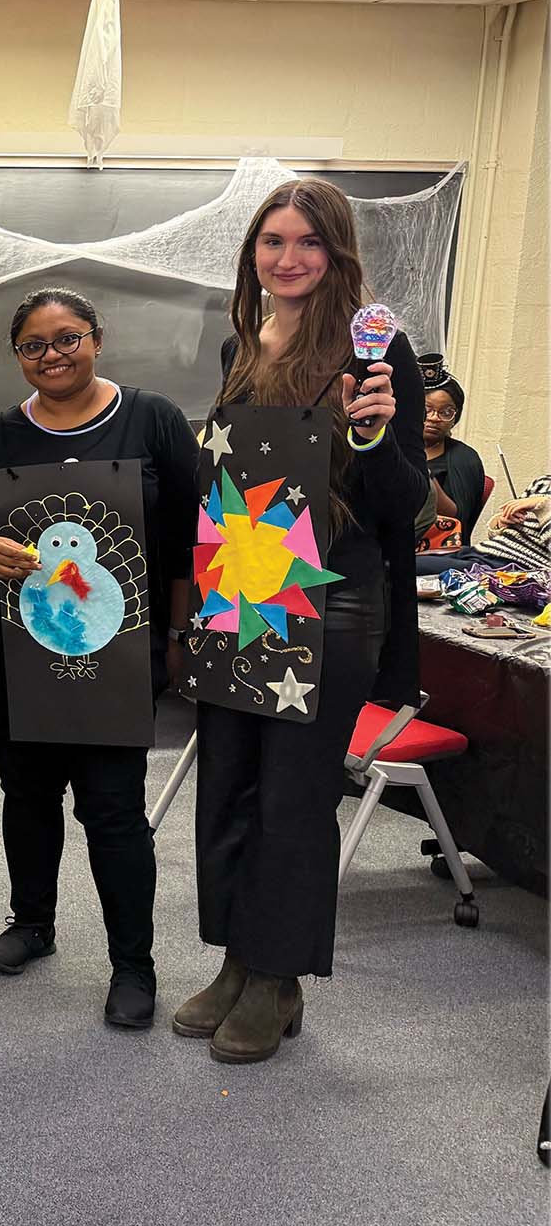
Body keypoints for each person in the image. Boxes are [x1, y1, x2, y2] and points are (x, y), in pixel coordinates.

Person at [178, 178, 426, 1064]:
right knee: (230, 785)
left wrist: (373, 436)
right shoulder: (240, 346)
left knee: (293, 796)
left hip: (331, 605)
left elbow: (405, 503)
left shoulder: (376, 350)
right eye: (273, 241)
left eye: (309, 242)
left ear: (337, 251)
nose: (289, 258)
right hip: (241, 591)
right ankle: (240, 958)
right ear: (253, 251)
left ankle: (277, 980)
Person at [0, 288, 196, 1030]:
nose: (52, 355)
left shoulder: (152, 419)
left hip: (119, 653)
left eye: (67, 338)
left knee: (113, 809)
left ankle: (134, 964)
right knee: (26, 794)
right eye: (33, 345)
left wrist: (179, 635)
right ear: (17, 355)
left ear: (97, 337)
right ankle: (32, 922)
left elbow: (191, 537)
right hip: (18, 653)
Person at [418, 353, 487, 546]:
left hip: (434, 549)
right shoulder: (393, 448)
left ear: (456, 417)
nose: (434, 418)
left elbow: (457, 520)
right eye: (426, 409)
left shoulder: (465, 459)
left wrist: (423, 472)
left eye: (446, 412)